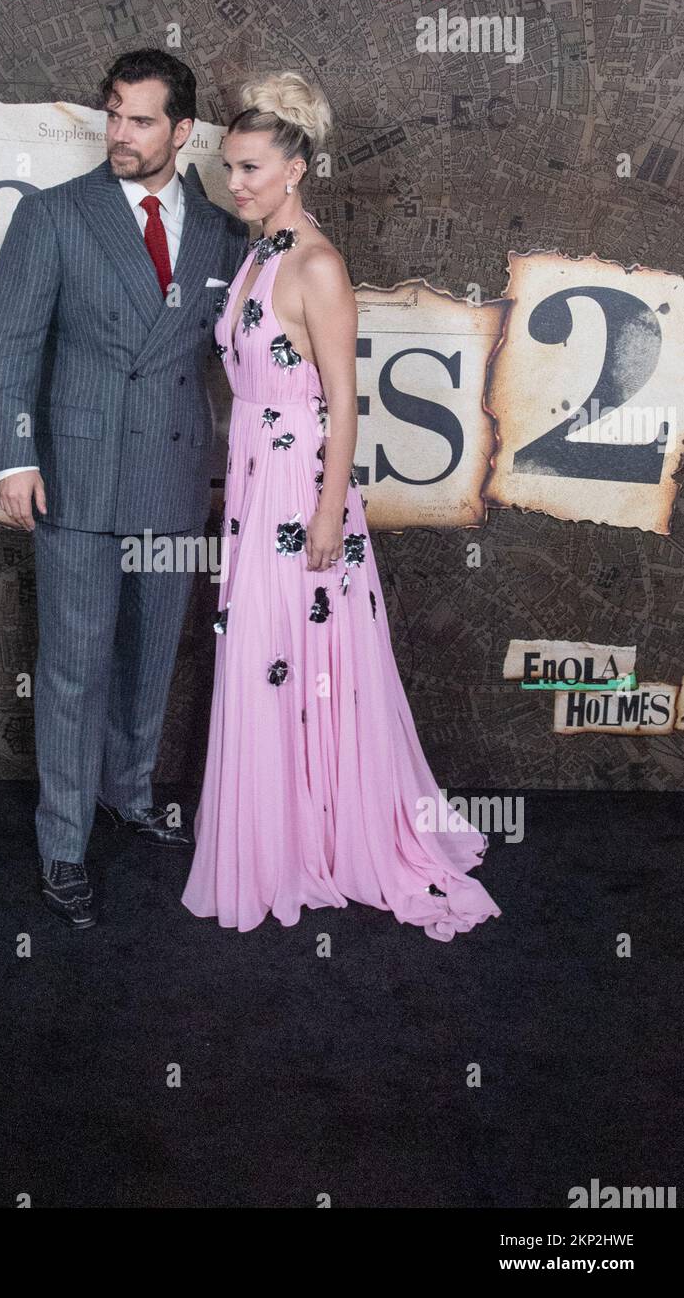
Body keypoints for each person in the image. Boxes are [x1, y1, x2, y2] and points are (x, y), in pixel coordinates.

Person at [181, 72, 502, 941]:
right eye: (228, 169)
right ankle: (284, 835)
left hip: (300, 491)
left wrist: (328, 512)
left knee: (306, 654)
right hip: (255, 484)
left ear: (295, 169)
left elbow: (345, 402)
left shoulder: (317, 264)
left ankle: (330, 834)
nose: (234, 184)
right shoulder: (258, 254)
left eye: (248, 169)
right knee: (264, 655)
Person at [0, 49, 249, 929]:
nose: (121, 134)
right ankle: (63, 844)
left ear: (184, 131)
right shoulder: (55, 216)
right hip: (77, 478)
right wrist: (13, 459)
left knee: (149, 655)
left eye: (141, 120)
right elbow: (9, 344)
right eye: (114, 115)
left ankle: (127, 796)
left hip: (172, 475)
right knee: (71, 668)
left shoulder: (221, 233)